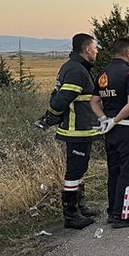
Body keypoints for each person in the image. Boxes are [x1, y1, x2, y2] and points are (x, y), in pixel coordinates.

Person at [37, 33, 102, 229]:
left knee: (80, 169)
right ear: (87, 49)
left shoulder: (77, 67)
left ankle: (80, 206)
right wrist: (52, 115)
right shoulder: (76, 70)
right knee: (74, 172)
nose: (97, 51)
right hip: (76, 130)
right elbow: (61, 99)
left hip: (82, 129)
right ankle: (71, 215)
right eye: (95, 47)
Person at [90, 37, 129, 228]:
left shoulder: (103, 74)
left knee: (114, 171)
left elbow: (94, 102)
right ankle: (124, 216)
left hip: (111, 131)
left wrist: (104, 119)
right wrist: (115, 120)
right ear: (128, 52)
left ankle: (113, 212)